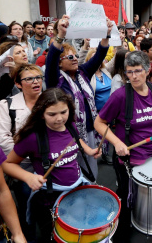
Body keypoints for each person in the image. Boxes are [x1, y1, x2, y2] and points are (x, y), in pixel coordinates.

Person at [94, 51, 152, 243]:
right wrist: (117, 143)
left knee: (151, 191)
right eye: (129, 72)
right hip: (130, 158)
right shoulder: (120, 96)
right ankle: (122, 233)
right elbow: (99, 123)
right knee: (127, 197)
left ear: (147, 71)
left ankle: (148, 220)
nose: (133, 76)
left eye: (138, 71)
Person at [2, 88, 101, 242]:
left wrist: (89, 150)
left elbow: (76, 140)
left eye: (63, 112)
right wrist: (28, 177)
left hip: (76, 189)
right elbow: (7, 163)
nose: (59, 118)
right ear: (41, 113)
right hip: (50, 198)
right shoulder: (33, 138)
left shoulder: (70, 126)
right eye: (52, 114)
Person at [45, 15, 113, 180]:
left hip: (90, 129)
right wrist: (60, 35)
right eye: (69, 57)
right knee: (75, 170)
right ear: (60, 63)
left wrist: (107, 34)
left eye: (75, 55)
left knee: (91, 168)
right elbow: (52, 57)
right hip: (70, 133)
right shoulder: (56, 80)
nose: (75, 59)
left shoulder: (83, 72)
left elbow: (100, 55)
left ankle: (91, 190)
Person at [0, 64, 42, 241]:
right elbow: (2, 140)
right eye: (29, 79)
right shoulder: (6, 105)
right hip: (23, 168)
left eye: (38, 77)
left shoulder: (50, 101)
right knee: (27, 211)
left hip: (51, 166)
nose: (35, 81)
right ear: (18, 84)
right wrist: (34, 154)